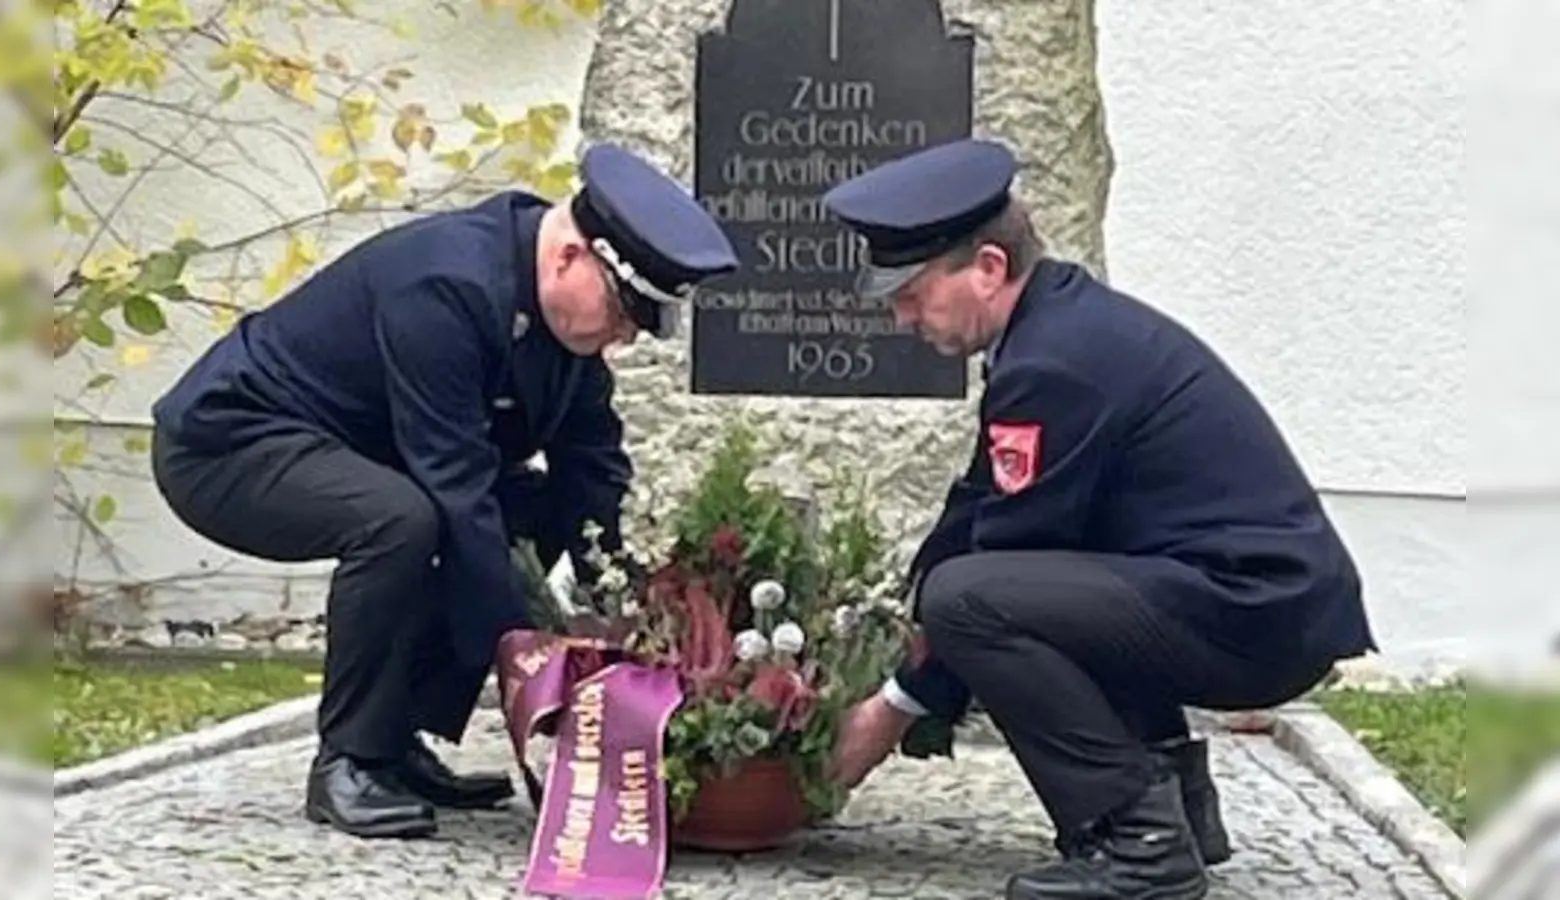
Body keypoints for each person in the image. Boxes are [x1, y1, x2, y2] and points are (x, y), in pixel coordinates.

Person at [821, 138, 1376, 900]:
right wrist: (901, 618)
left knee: (973, 603)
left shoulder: (1055, 361)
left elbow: (1005, 568)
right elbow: (979, 507)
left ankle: (1141, 848)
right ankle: (1178, 807)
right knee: (979, 590)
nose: (899, 312)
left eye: (912, 289)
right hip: (1246, 597)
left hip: (1254, 612)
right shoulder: (1054, 332)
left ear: (988, 268)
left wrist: (891, 710)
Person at [148, 143, 738, 840]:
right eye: (623, 312)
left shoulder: (565, 331)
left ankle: (394, 741)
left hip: (362, 455)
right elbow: (455, 486)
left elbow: (592, 472)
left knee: (531, 509)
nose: (626, 337)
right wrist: (528, 657)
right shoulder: (446, 285)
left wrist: (620, 615)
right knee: (401, 522)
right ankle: (348, 761)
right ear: (571, 258)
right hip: (227, 444)